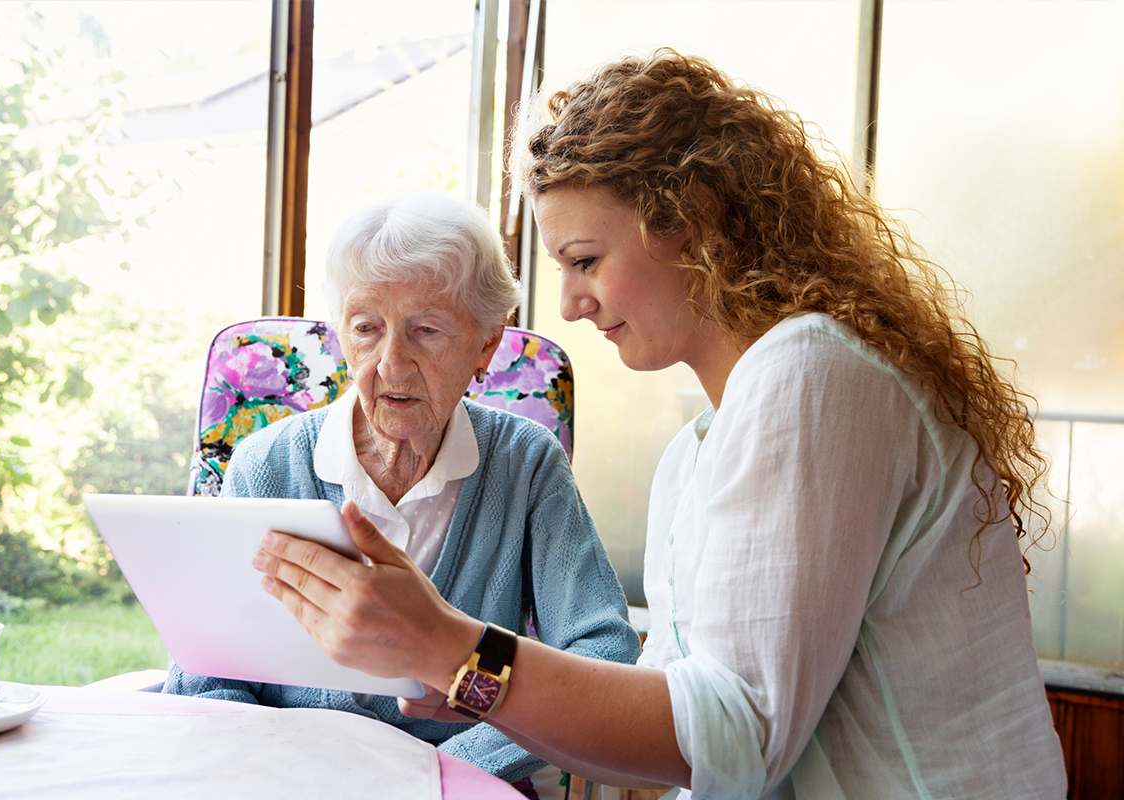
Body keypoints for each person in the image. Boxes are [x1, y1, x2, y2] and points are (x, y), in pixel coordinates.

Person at [249, 50, 1067, 798]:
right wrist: (464, 677)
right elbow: (659, 736)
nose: (568, 304)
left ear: (695, 217)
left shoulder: (813, 374)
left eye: (584, 261)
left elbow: (737, 735)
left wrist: (451, 645)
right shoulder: (698, 452)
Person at [164, 193, 641, 793]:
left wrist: (450, 769)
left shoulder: (526, 463)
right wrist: (278, 771)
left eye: (427, 331)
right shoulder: (266, 463)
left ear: (486, 346)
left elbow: (603, 651)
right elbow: (207, 666)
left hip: (456, 782)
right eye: (367, 328)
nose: (392, 364)